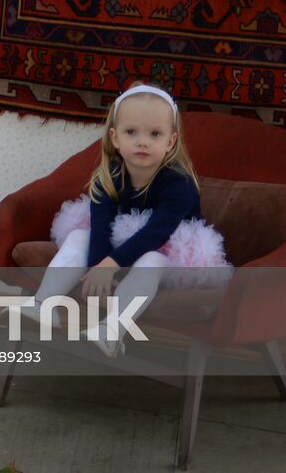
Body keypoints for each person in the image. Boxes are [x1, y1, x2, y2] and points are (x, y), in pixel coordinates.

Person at [27, 84, 231, 356]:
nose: (142, 141)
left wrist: (111, 265)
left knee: (152, 260)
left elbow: (157, 234)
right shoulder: (108, 177)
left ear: (170, 141)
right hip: (118, 246)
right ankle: (43, 304)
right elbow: (100, 226)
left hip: (169, 251)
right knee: (79, 236)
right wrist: (98, 267)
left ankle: (111, 330)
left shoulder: (179, 184)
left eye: (155, 133)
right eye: (131, 132)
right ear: (115, 138)